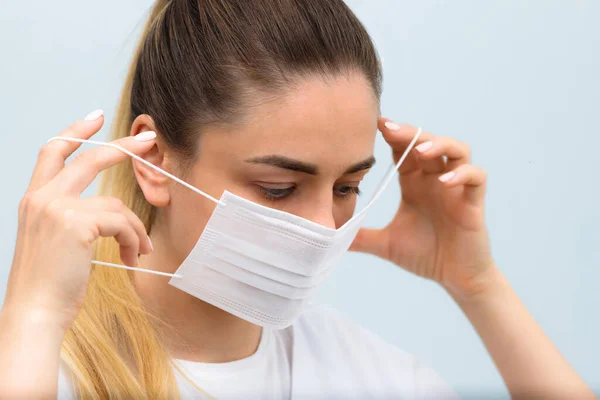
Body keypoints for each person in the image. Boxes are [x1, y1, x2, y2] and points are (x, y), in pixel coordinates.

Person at [0, 0, 594, 399]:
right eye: (278, 188)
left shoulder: (370, 377)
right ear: (154, 163)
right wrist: (32, 318)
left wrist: (479, 285)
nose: (321, 226)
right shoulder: (37, 363)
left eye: (347, 187)